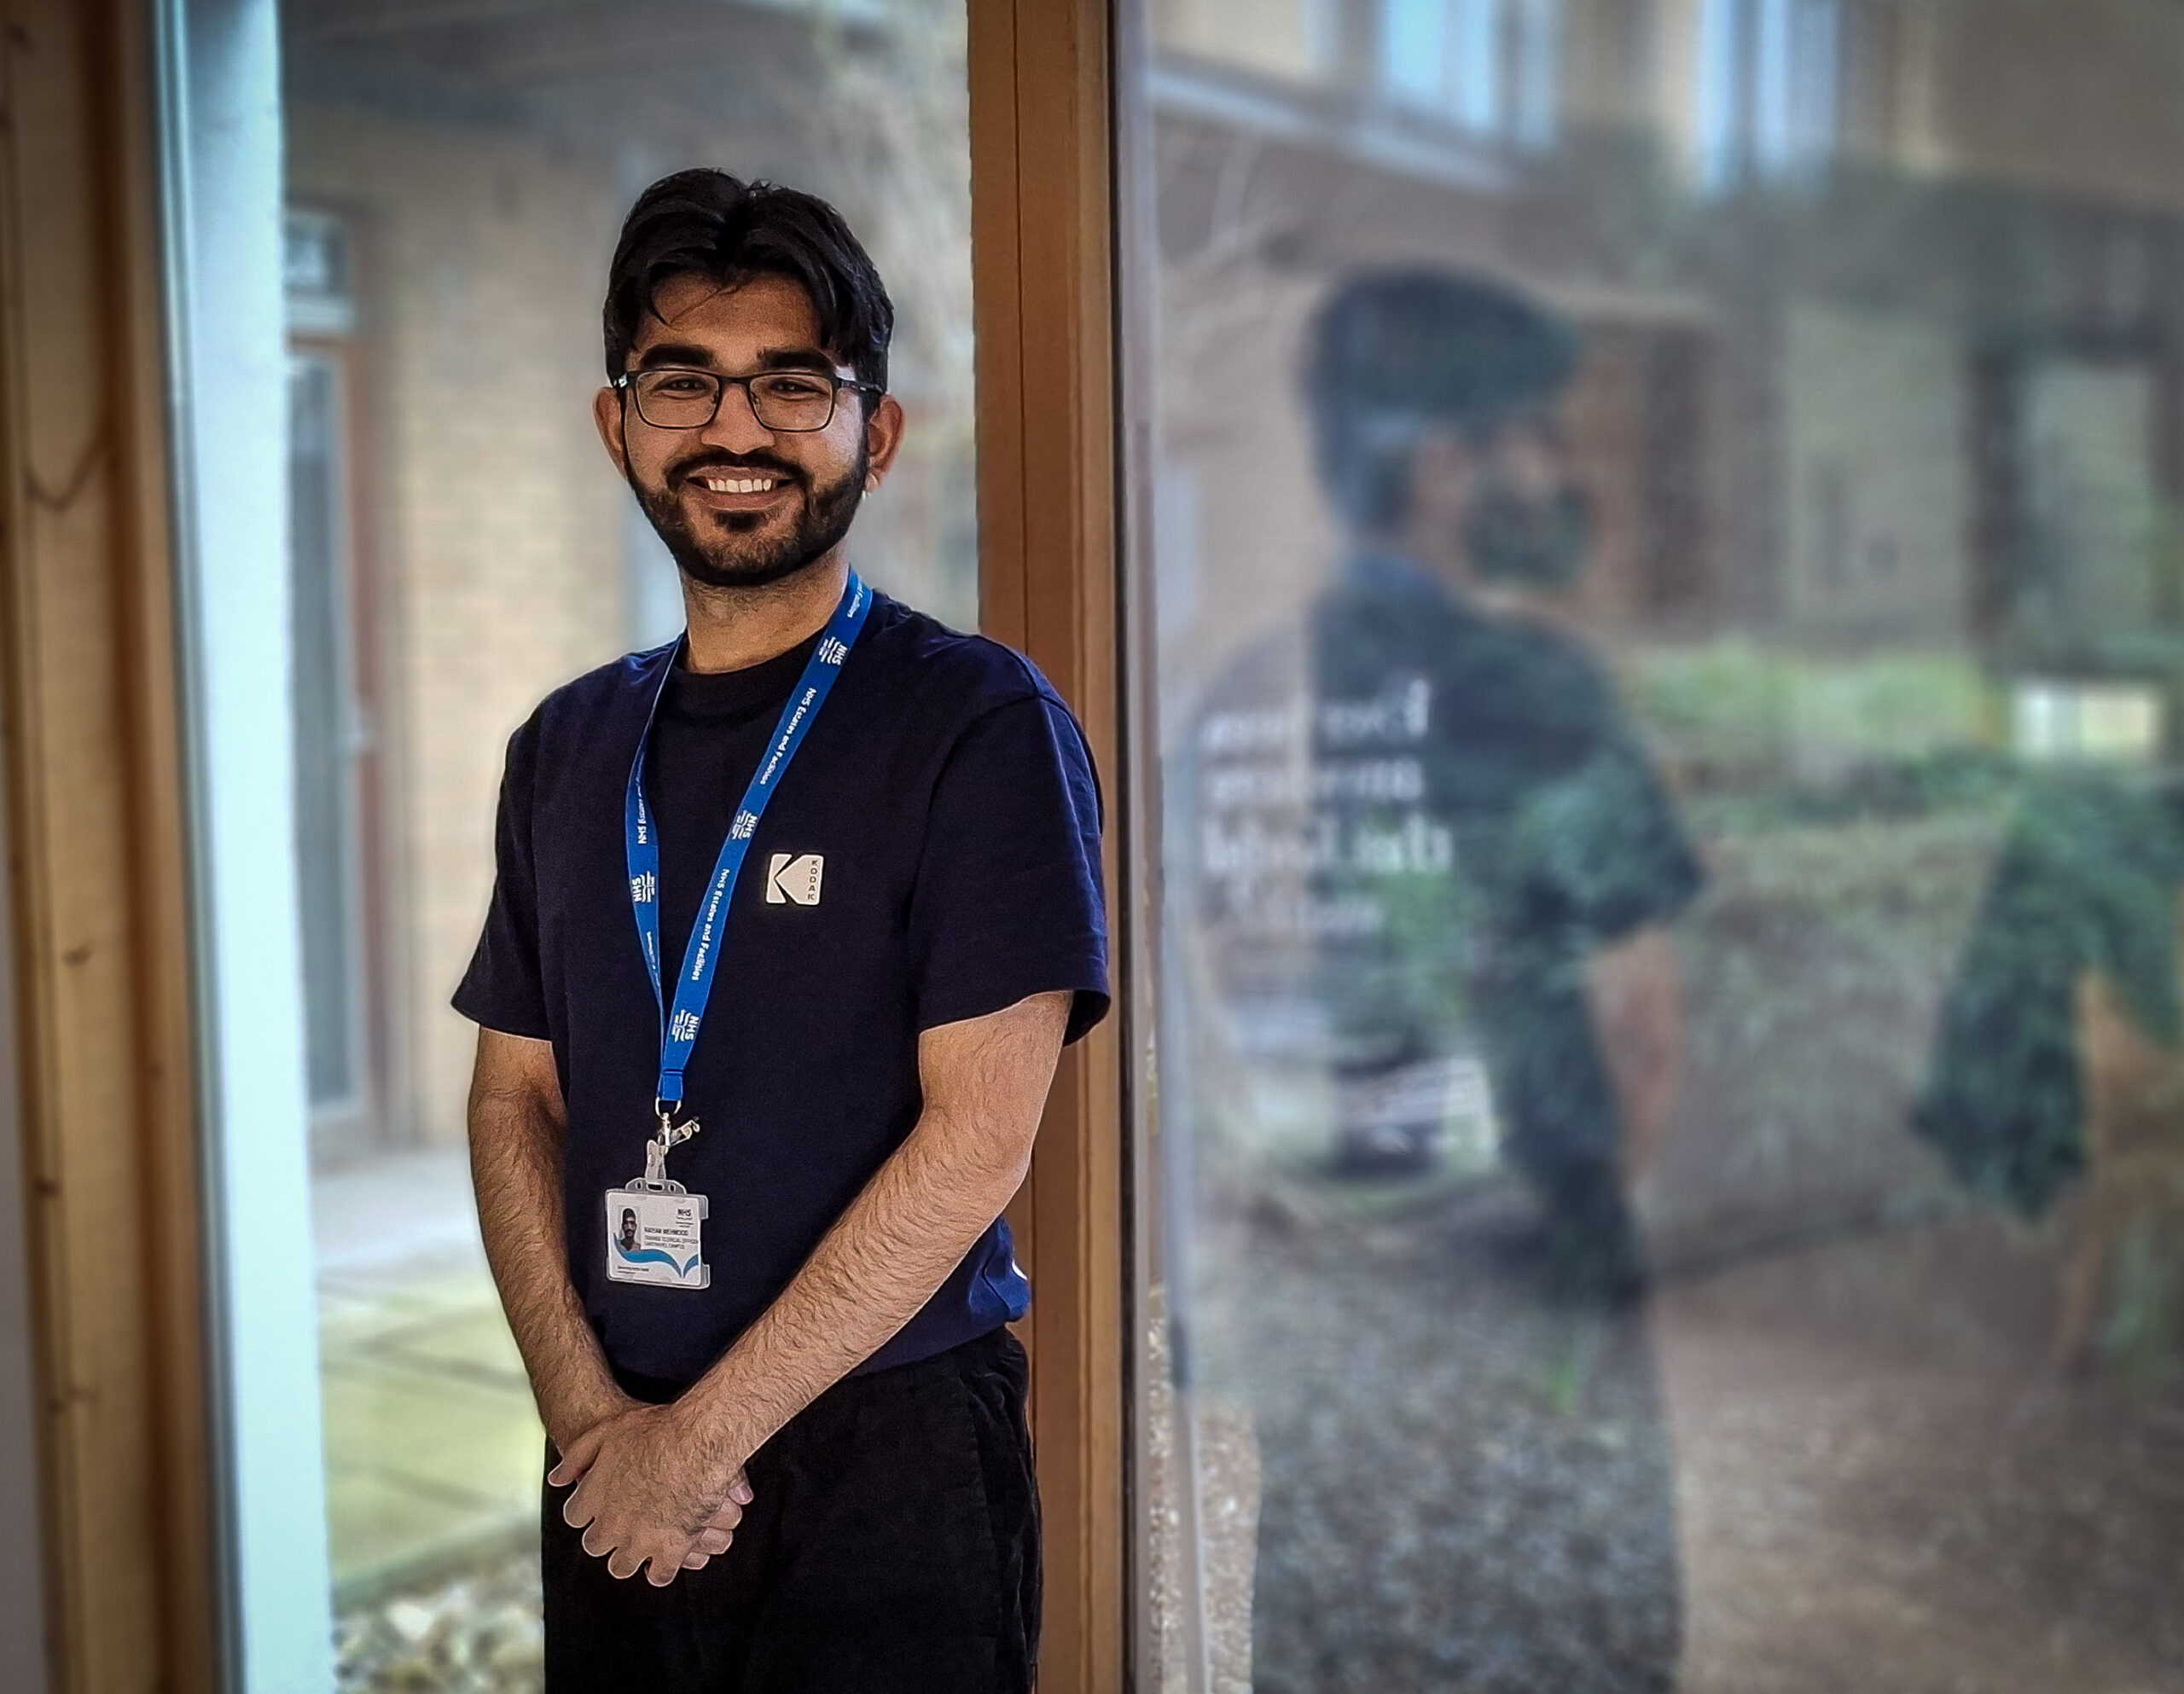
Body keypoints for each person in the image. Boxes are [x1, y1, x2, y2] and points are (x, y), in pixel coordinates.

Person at [454, 169, 1107, 1694]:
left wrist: (698, 1442)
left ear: (873, 432)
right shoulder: (564, 745)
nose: (734, 431)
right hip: (610, 1451)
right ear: (617, 424)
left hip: (885, 1463)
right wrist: (595, 1426)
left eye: (790, 385)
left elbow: (979, 1141)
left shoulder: (976, 724)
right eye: (683, 382)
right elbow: (514, 1100)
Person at [1187, 270, 1700, 1691]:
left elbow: (1220, 997)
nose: (1555, 471)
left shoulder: (1241, 693)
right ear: (1436, 460)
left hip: (1319, 1311)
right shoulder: (1540, 691)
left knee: (1341, 1635)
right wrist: (1580, 1210)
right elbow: (1638, 1027)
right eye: (1531, 434)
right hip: (1527, 1301)